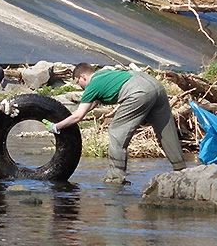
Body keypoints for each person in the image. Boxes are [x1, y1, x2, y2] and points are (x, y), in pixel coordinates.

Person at [43, 63, 186, 184]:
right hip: (155, 85)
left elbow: (78, 116)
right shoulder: (104, 75)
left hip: (138, 91)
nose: (79, 86)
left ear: (83, 77)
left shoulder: (92, 86)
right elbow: (92, 104)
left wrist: (56, 126)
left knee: (116, 130)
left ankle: (115, 176)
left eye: (77, 82)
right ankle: (181, 169)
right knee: (165, 129)